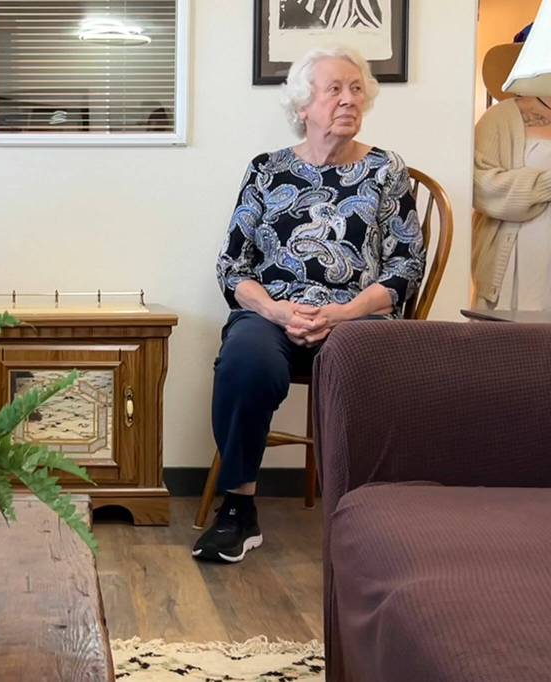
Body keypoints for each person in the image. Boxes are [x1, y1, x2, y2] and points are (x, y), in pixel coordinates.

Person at [192, 46, 424, 564]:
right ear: (303, 106)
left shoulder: (386, 171)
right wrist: (277, 311)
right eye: (334, 90)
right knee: (245, 358)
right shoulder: (267, 170)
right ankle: (238, 510)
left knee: (374, 364)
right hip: (274, 316)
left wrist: (341, 314)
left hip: (356, 320)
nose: (348, 99)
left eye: (356, 88)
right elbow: (233, 267)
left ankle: (379, 515)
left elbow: (405, 267)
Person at [472, 41, 551, 311]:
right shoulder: (500, 118)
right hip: (522, 262)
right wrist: (543, 186)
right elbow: (480, 185)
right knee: (516, 348)